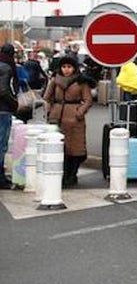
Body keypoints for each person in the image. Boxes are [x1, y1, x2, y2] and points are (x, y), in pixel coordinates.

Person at [42, 55, 93, 187]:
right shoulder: (54, 80)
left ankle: (72, 174)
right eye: (64, 67)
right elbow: (47, 97)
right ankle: (62, 175)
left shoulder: (81, 81)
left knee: (75, 149)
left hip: (74, 119)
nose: (66, 69)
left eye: (69, 67)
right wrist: (49, 110)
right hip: (57, 117)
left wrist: (79, 112)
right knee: (58, 147)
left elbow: (88, 100)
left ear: (74, 68)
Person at [0, 44, 17, 188]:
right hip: (3, 110)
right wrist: (14, 104)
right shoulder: (7, 67)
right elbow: (4, 90)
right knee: (1, 145)